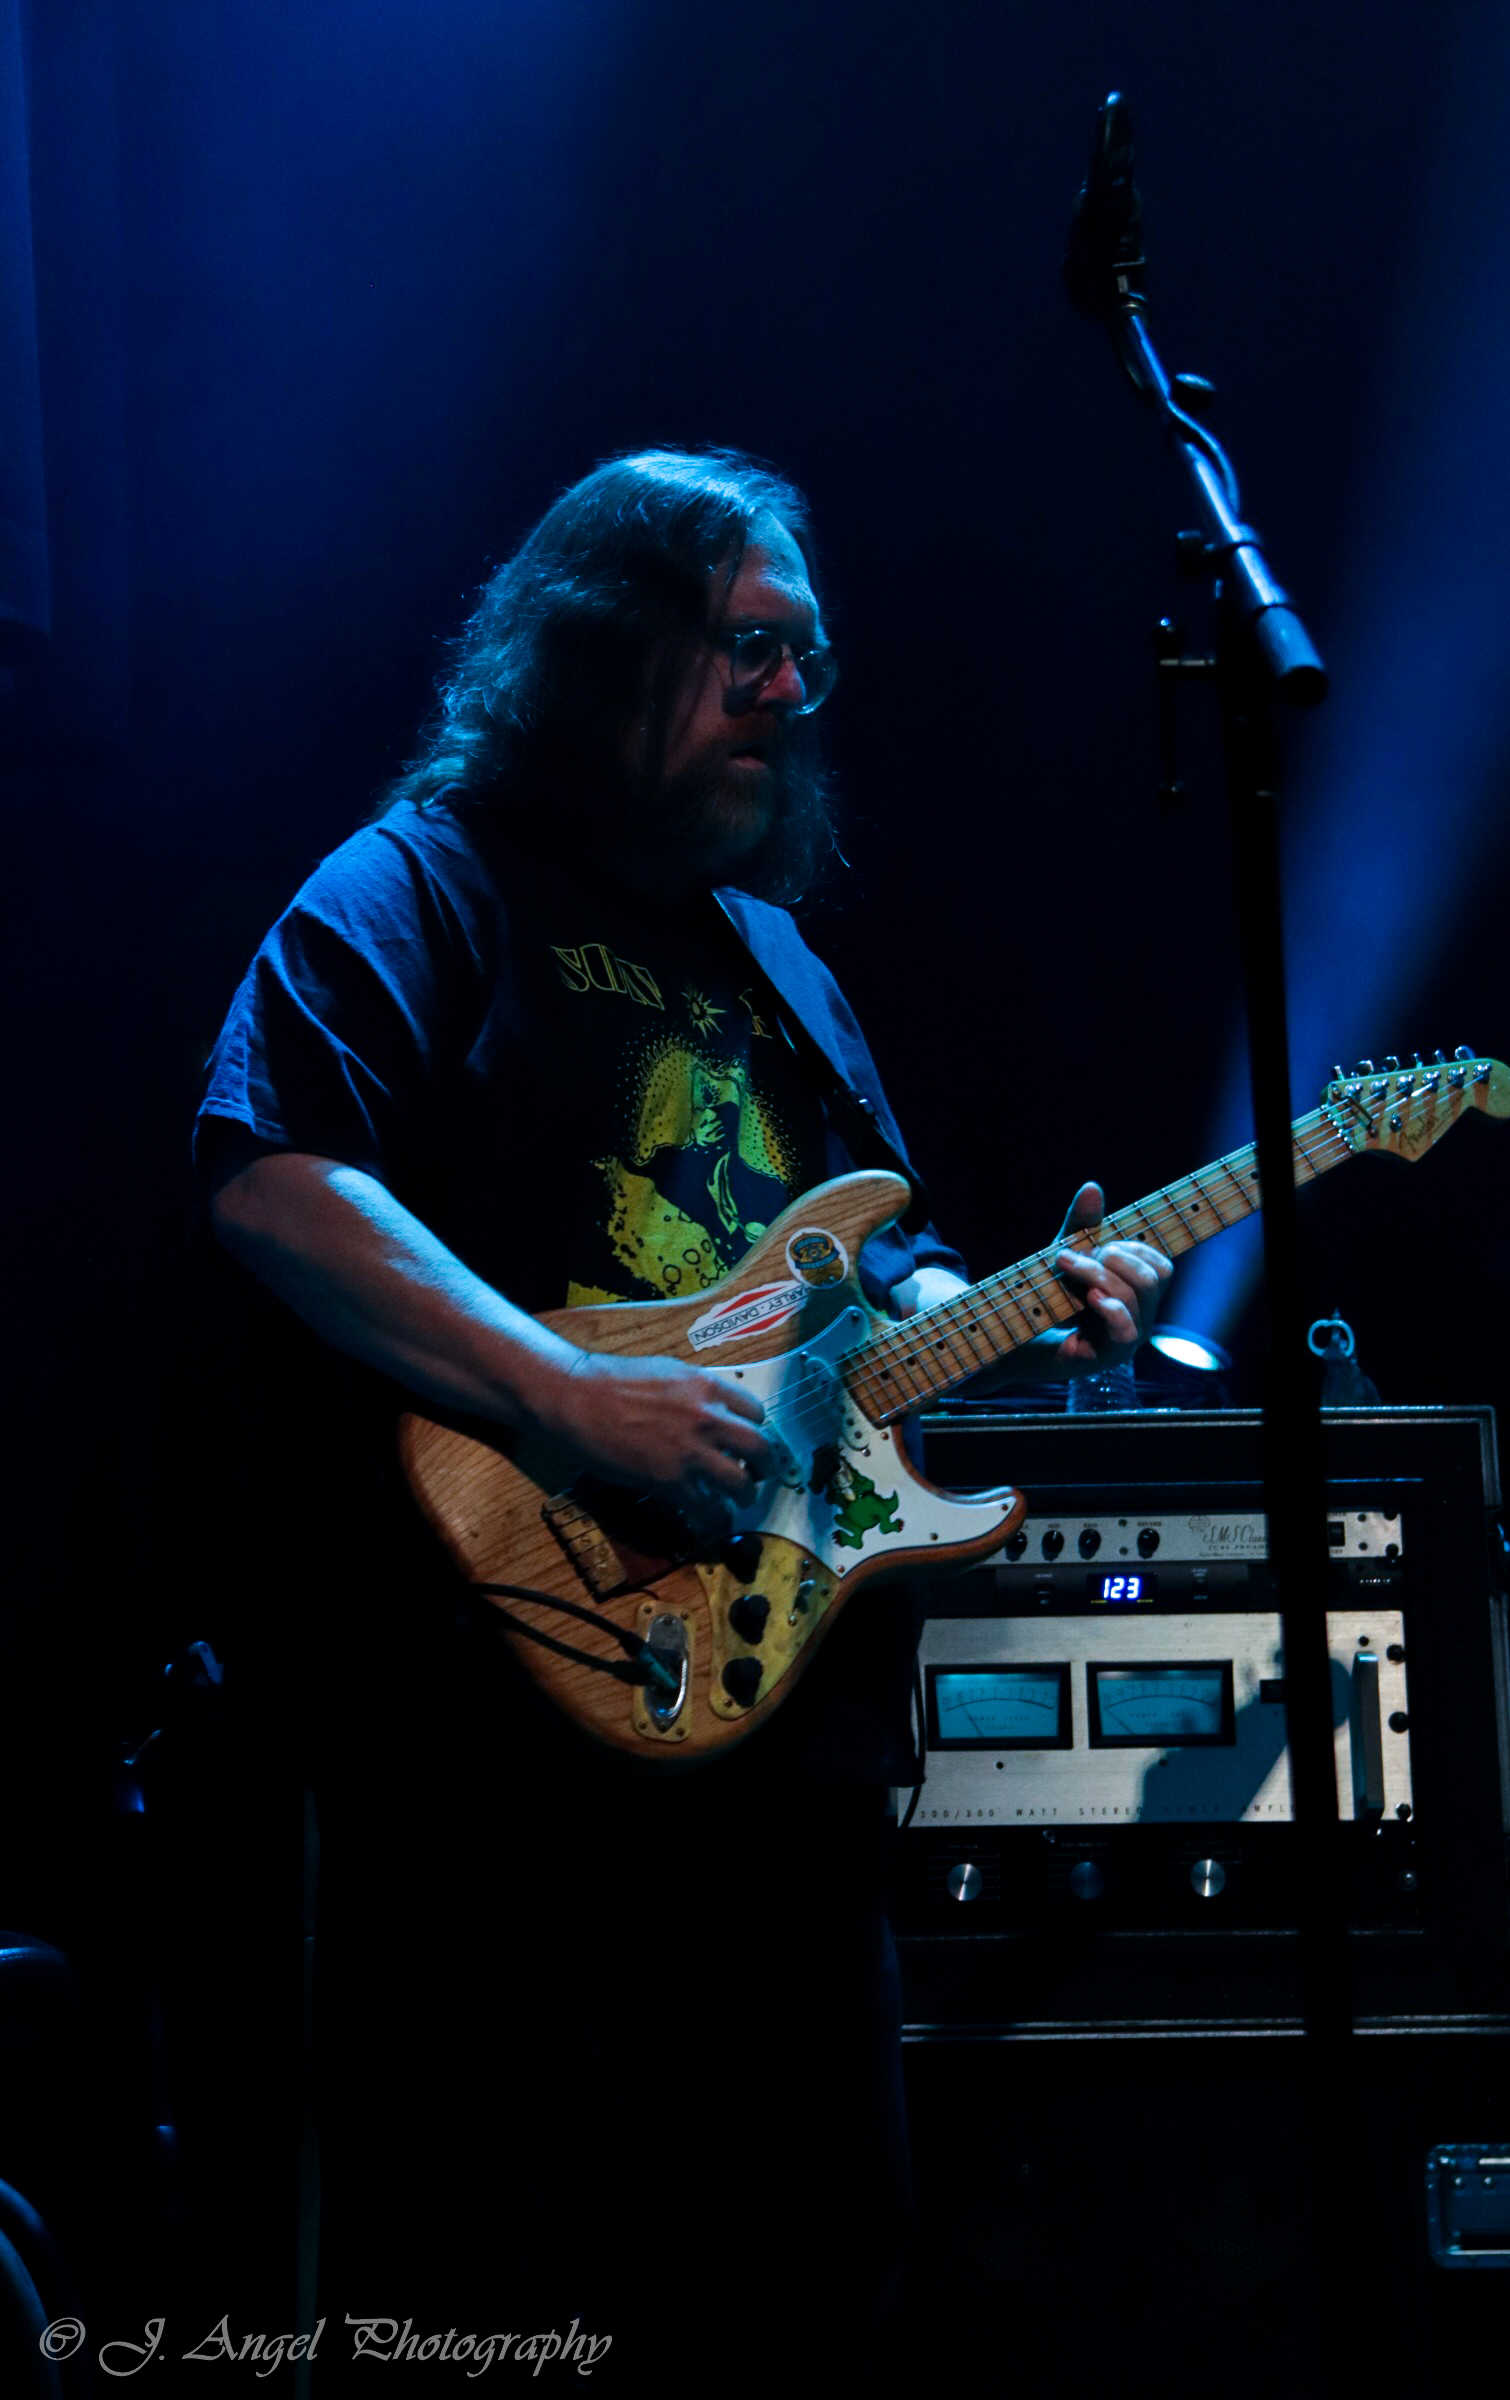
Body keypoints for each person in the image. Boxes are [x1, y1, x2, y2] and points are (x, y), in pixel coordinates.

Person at [197, 448, 1170, 2386]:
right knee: (488, 2293)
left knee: (811, 2279)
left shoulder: (778, 962)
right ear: (599, 647)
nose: (789, 695)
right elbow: (273, 1179)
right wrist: (568, 1390)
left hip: (773, 1746)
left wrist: (1014, 1315)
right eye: (746, 647)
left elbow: (876, 1281)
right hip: (492, 1740)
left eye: (810, 659)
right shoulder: (420, 886)